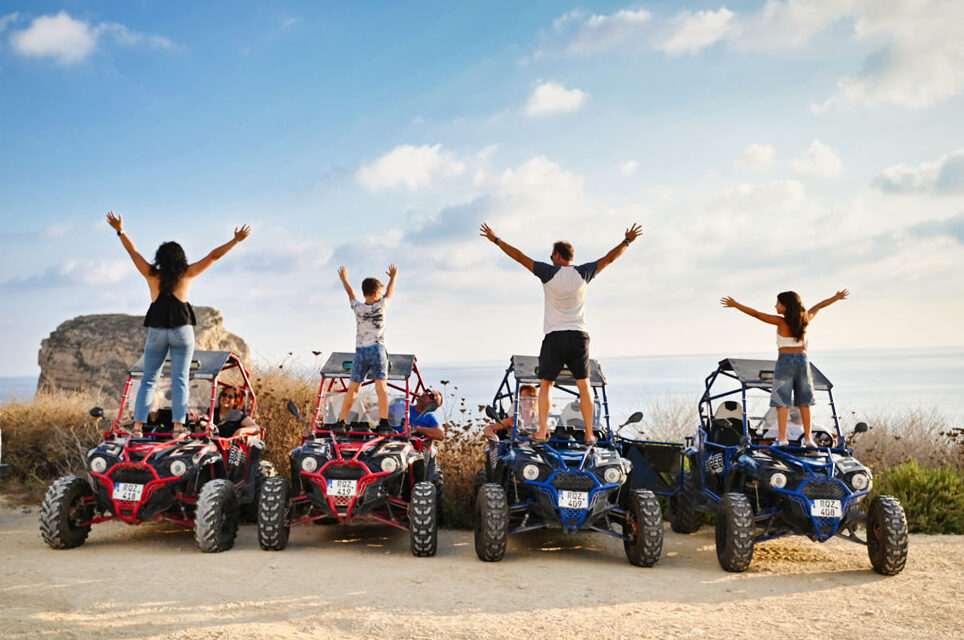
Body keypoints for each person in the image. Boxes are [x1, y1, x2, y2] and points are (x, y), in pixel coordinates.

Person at [480, 222, 643, 444]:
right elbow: (609, 258)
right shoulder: (584, 272)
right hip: (579, 335)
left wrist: (496, 240)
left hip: (555, 335)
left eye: (551, 255)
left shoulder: (548, 272)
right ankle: (589, 434)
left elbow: (519, 256)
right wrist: (627, 241)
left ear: (557, 256)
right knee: (583, 385)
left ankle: (540, 432)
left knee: (547, 384)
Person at [106, 211, 250, 439]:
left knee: (149, 379)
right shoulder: (186, 273)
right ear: (180, 258)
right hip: (182, 331)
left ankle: (137, 427)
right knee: (180, 378)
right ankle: (177, 428)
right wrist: (235, 240)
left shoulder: (151, 274)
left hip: (156, 332)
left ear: (160, 258)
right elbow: (213, 256)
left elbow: (132, 252)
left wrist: (120, 230)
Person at [721, 289, 849, 447]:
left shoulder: (781, 322)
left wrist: (735, 305)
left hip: (785, 362)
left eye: (778, 303)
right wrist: (836, 298)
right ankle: (808, 438)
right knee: (805, 402)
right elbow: (820, 306)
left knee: (782, 402)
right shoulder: (806, 319)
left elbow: (756, 314)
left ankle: (782, 439)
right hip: (803, 361)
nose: (775, 306)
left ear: (786, 306)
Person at [334, 264, 398, 435]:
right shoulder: (381, 307)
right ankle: (383, 424)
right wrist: (393, 277)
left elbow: (350, 293)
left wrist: (344, 279)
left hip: (361, 351)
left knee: (353, 388)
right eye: (380, 292)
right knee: (381, 387)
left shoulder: (358, 308)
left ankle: (341, 421)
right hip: (377, 350)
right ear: (377, 293)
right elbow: (390, 292)